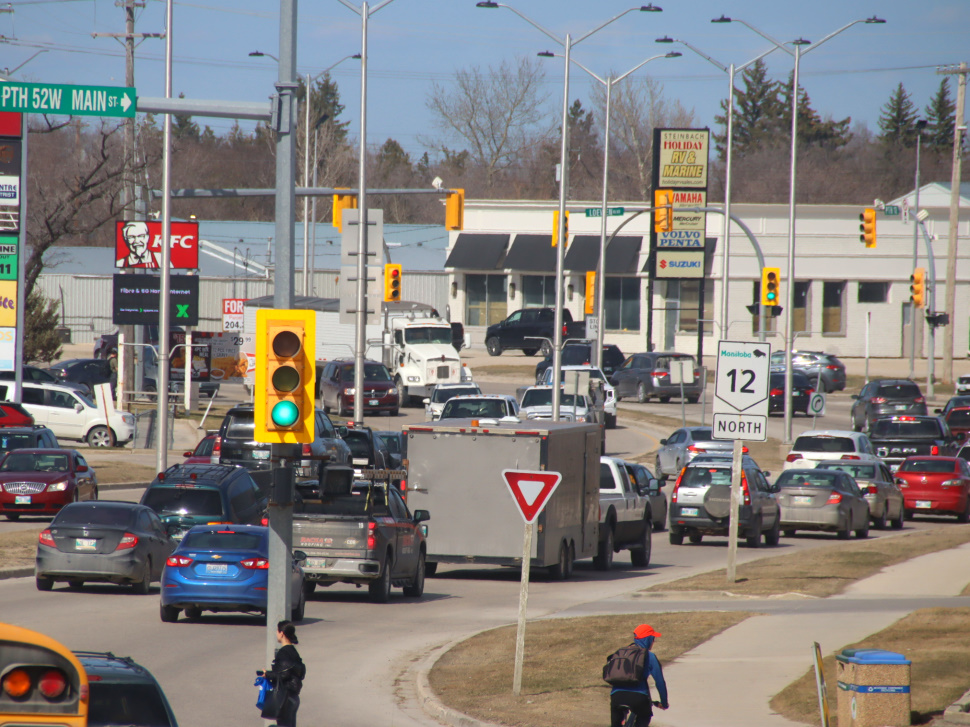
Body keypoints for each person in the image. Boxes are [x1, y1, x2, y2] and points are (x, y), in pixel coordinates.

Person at [610, 624, 668, 727]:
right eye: (653, 639)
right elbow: (660, 682)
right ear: (648, 639)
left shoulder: (621, 653)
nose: (653, 642)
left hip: (616, 696)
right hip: (639, 698)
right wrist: (664, 703)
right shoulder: (650, 656)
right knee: (645, 716)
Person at [261, 621, 305, 727]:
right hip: (293, 697)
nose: (276, 633)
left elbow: (284, 675)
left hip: (285, 698)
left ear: (281, 633)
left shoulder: (283, 652)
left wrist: (267, 674)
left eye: (277, 631)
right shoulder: (293, 652)